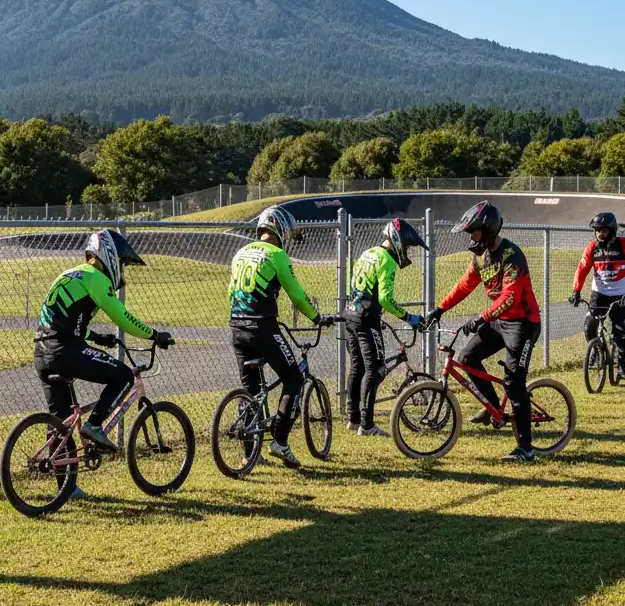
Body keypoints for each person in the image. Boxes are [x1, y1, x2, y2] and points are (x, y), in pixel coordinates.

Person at [35, 229, 172, 455]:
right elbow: (122, 317)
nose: (122, 269)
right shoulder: (96, 277)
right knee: (124, 375)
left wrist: (98, 338)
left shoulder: (70, 274)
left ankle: (65, 487)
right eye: (121, 263)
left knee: (62, 422)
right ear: (109, 255)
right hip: (64, 350)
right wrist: (154, 335)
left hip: (42, 351)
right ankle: (95, 424)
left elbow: (65, 322)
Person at [424, 200, 541, 463]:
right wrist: (439, 309)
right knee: (467, 358)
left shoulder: (512, 256)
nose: (470, 237)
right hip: (500, 321)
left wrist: (481, 318)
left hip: (523, 323)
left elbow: (510, 297)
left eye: (473, 231)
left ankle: (526, 449)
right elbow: (464, 286)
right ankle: (491, 408)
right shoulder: (481, 258)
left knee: (513, 381)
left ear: (488, 230)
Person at [229, 204, 330, 468]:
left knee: (250, 389)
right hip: (262, 327)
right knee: (293, 377)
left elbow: (232, 292)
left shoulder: (240, 253)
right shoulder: (276, 255)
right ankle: (280, 442)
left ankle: (250, 453)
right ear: (281, 230)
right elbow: (297, 296)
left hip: (236, 327)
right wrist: (317, 317)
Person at [344, 219, 426, 437]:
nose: (406, 252)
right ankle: (367, 425)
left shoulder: (367, 253)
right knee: (375, 369)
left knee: (357, 367)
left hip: (350, 315)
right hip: (366, 320)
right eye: (407, 247)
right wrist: (409, 317)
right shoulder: (386, 260)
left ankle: (353, 419)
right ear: (399, 242)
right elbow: (385, 299)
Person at [570, 211, 625, 371]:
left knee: (620, 332)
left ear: (612, 231)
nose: (600, 234)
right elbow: (582, 269)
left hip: (620, 295)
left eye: (604, 230)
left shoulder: (622, 245)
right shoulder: (592, 248)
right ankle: (595, 350)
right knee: (589, 327)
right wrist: (576, 291)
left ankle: (622, 363)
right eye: (598, 230)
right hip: (599, 295)